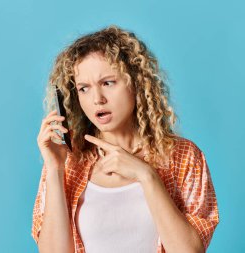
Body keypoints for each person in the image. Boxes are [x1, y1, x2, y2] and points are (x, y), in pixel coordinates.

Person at [31, 25, 219, 253]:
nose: (97, 99)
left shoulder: (183, 156)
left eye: (108, 83)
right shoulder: (69, 162)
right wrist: (55, 169)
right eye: (84, 88)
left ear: (136, 82)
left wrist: (146, 175)